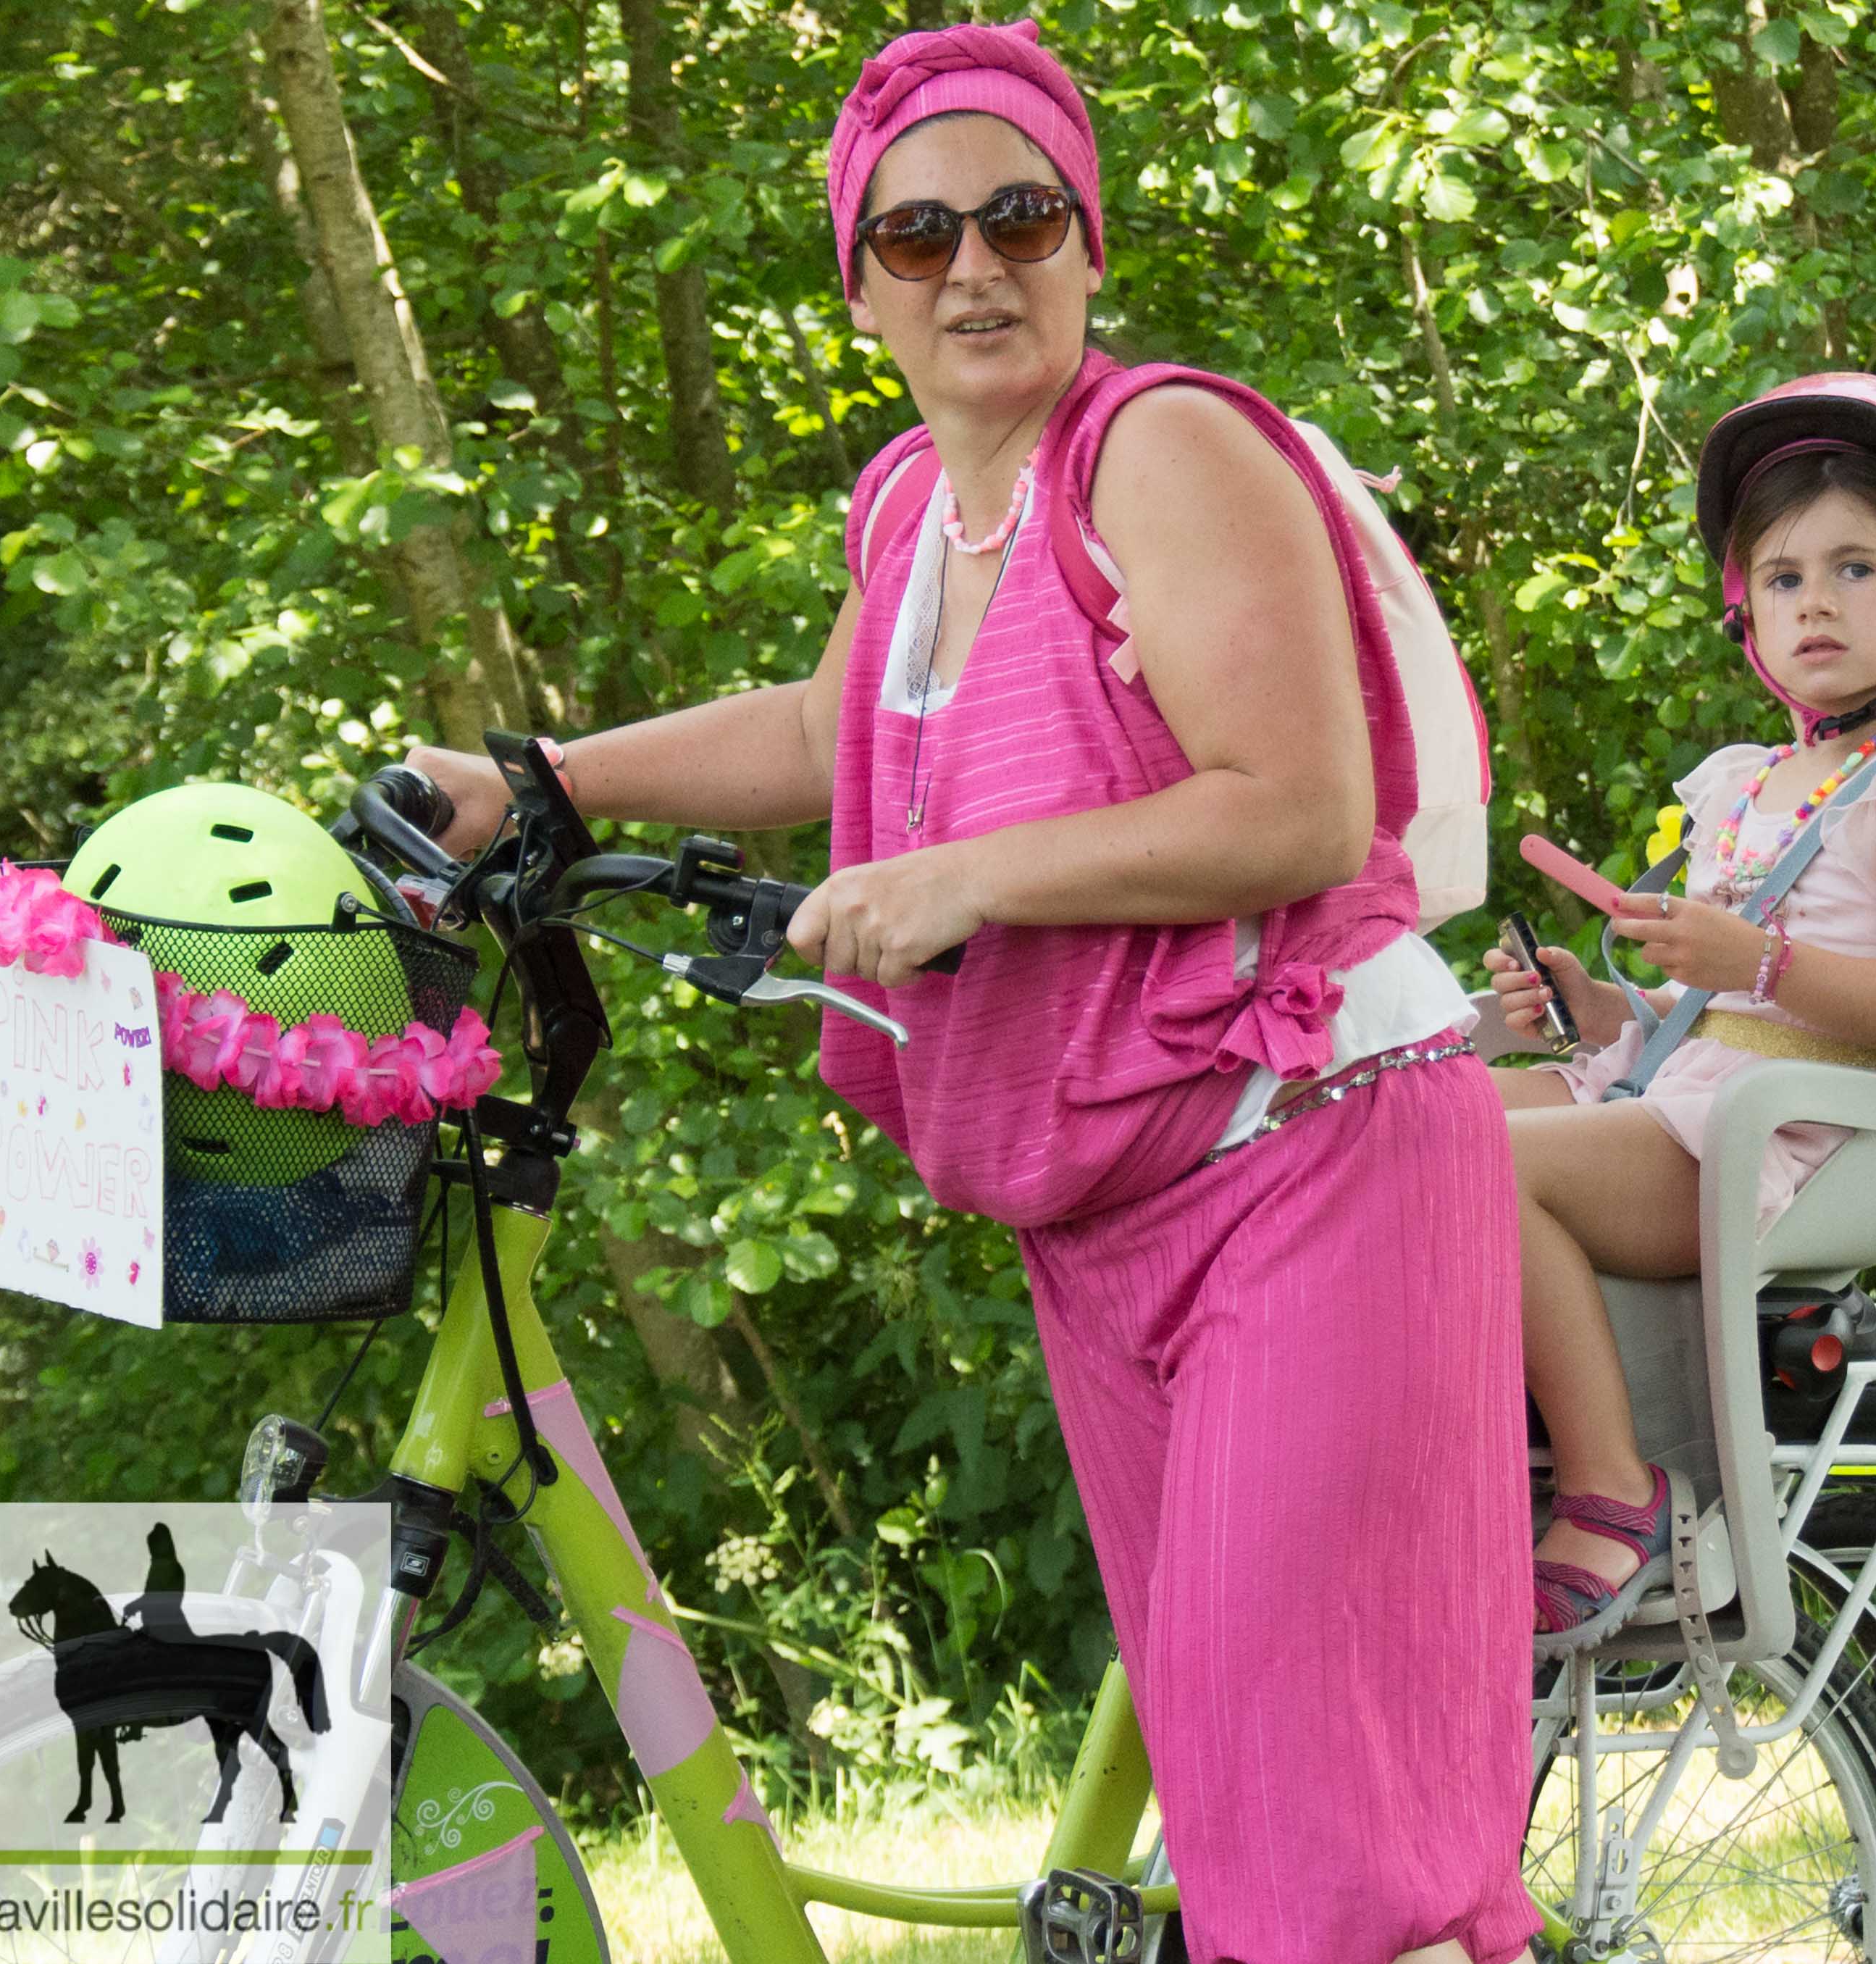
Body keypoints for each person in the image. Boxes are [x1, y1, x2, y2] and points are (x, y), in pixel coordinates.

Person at [406, 22, 1538, 1963]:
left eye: (1017, 215)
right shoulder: (910, 511)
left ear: (1086, 240)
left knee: (1321, 1877)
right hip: (1106, 1209)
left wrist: (962, 876)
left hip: (1309, 1152)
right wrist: (545, 779)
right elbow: (825, 729)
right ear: (859, 284)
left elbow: (1300, 804)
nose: (974, 267)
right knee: (1246, 1814)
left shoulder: (1160, 447)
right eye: (916, 237)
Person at [1482, 376, 1876, 1650]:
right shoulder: (1752, 779)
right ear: (1744, 610)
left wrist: (1753, 960)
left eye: (1853, 568)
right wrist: (1598, 1002)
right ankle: (1481, 1441)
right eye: (1780, 578)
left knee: (1478, 1162)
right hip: (1687, 1087)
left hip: (1770, 1140)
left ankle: (1617, 1490)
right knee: (1412, 1110)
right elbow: (1694, 999)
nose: (1813, 601)